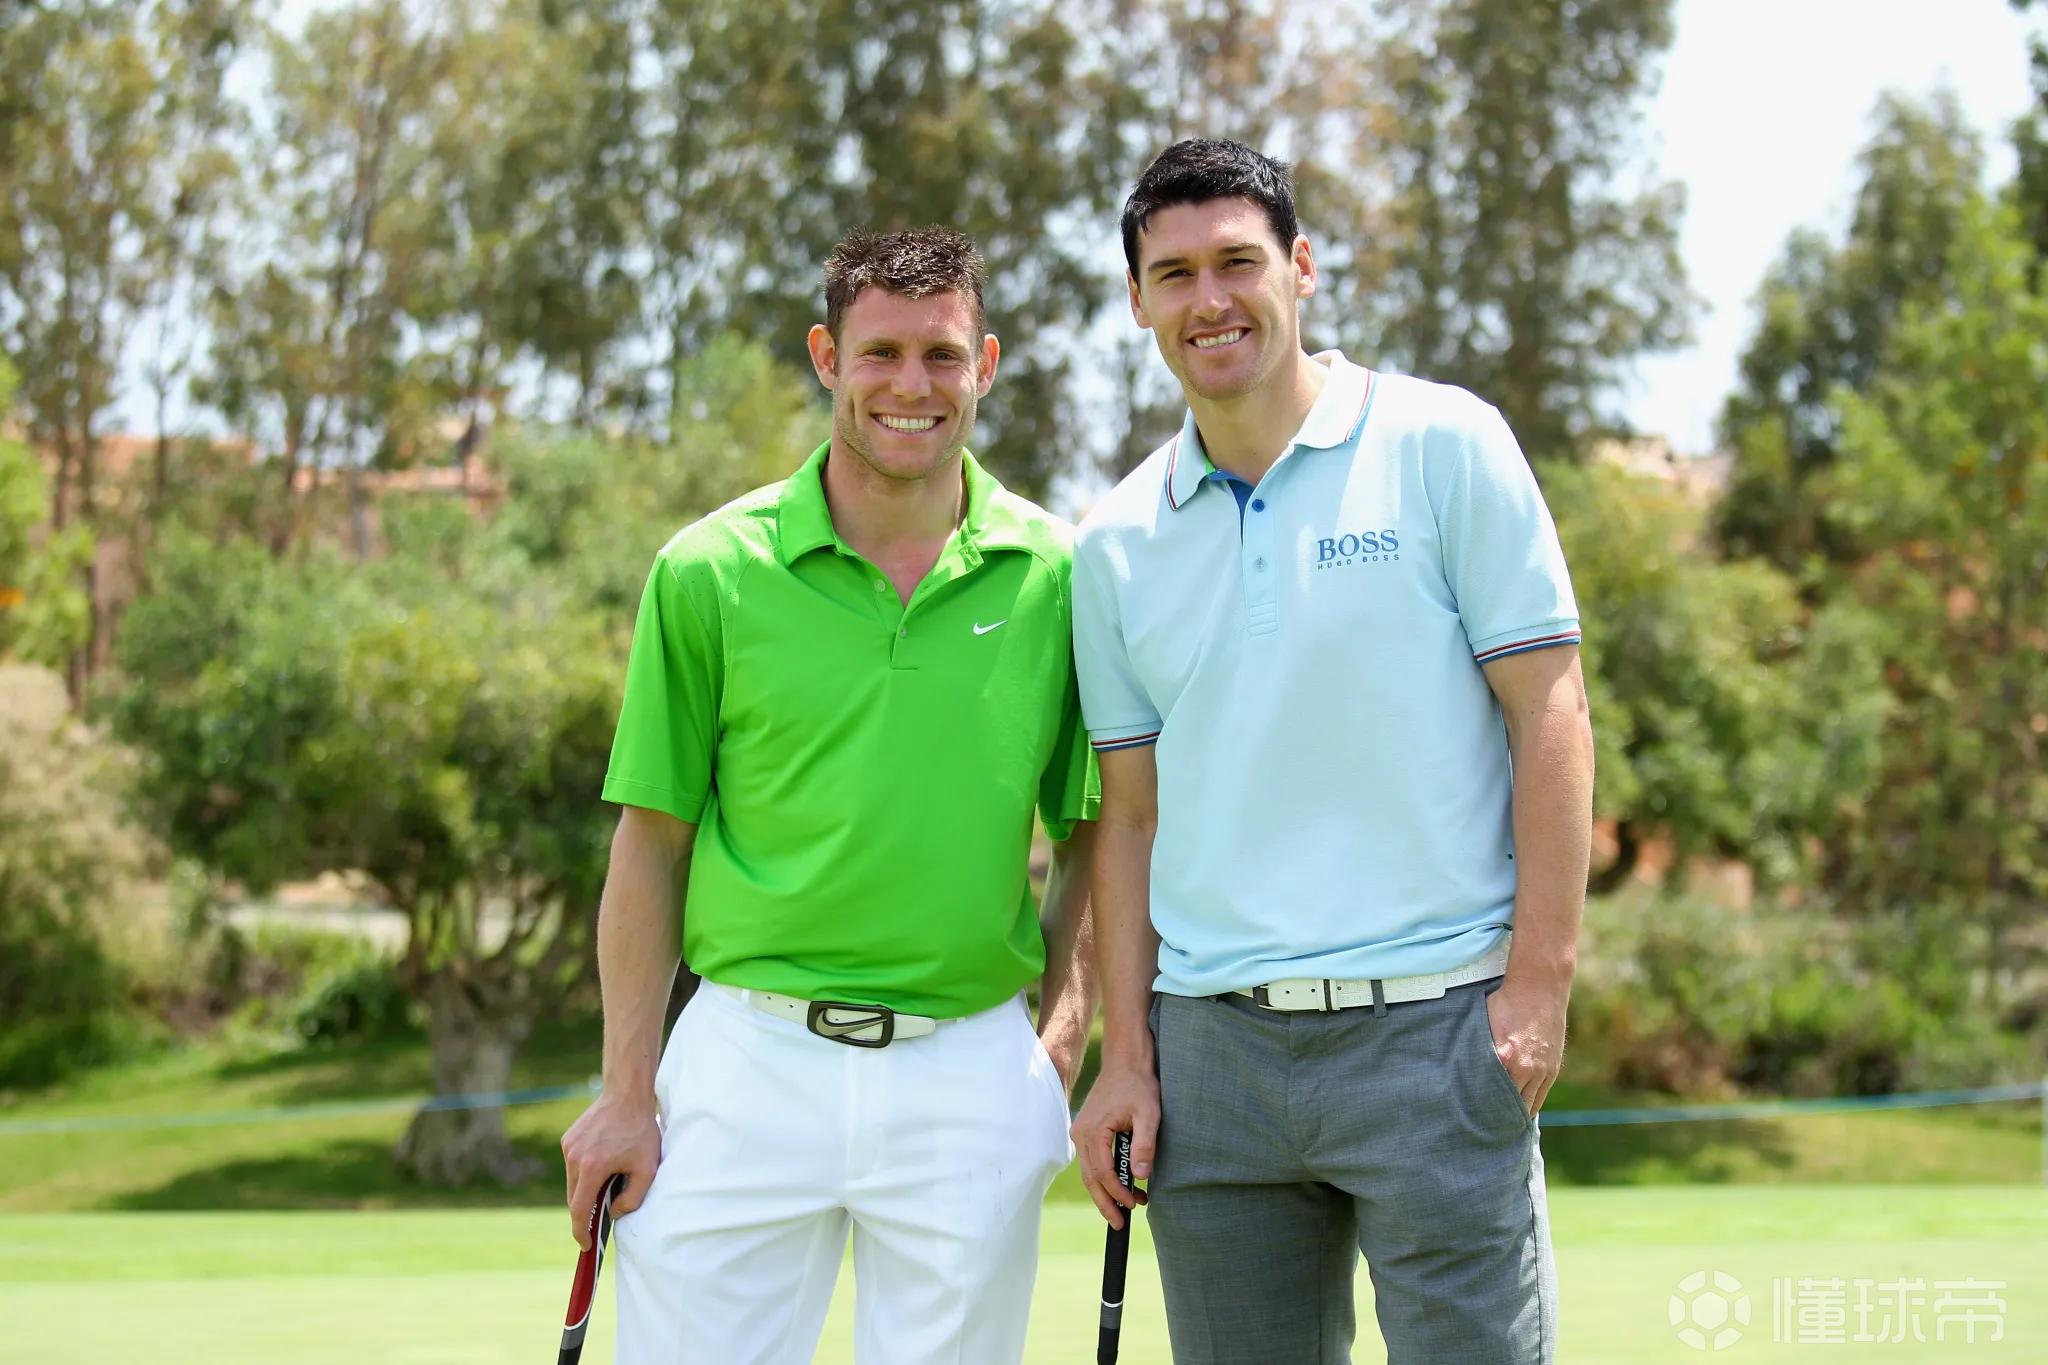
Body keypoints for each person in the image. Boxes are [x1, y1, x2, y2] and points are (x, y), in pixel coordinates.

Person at [1068, 138, 1594, 1364]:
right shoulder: (1114, 542)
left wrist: (1537, 987)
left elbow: (1549, 714)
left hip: (1437, 1033)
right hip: (1211, 1066)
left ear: (1298, 268)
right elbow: (1128, 819)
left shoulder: (1443, 444)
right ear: (1137, 301)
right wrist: (1124, 1059)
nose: (1208, 300)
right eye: (1173, 274)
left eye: (1237, 263)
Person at [560, 226, 1098, 1365]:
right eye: (880, 353)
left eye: (942, 355)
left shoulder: (1058, 575)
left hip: (967, 1069)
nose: (913, 385)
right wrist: (623, 1091)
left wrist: (1059, 1039)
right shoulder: (707, 569)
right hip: (742, 1065)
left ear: (985, 365)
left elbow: (1092, 830)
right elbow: (650, 844)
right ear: (825, 357)